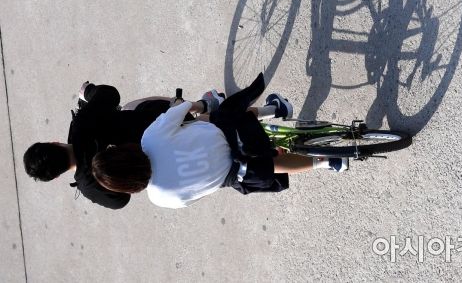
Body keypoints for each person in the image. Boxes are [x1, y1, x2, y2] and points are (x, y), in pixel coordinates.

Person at [91, 74, 348, 209]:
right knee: (223, 115)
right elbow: (182, 110)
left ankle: (328, 162)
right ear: (123, 151)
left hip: (240, 173)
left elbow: (197, 194)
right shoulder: (150, 139)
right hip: (234, 133)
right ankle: (277, 109)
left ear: (127, 187)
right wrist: (184, 104)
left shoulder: (160, 198)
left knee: (271, 167)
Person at [23, 81, 223, 210]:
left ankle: (212, 119)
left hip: (170, 164)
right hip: (160, 121)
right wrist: (91, 93)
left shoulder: (87, 185)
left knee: (193, 133)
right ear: (53, 143)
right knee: (133, 107)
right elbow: (111, 95)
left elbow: (120, 201)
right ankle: (205, 105)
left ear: (56, 176)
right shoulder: (82, 123)